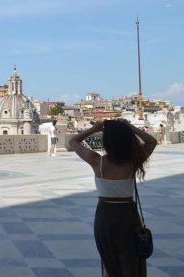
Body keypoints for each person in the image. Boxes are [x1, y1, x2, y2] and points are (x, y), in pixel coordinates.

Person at [69, 119, 156, 277]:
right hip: (128, 215)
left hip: (105, 215)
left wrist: (94, 129)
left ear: (106, 141)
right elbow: (152, 141)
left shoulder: (98, 161)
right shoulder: (133, 161)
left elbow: (72, 141)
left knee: (108, 260)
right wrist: (130, 127)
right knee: (130, 259)